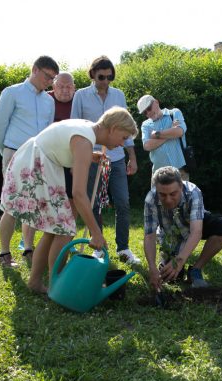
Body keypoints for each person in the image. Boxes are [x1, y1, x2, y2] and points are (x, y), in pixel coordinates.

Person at [0, 107, 138, 293]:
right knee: (64, 229)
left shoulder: (88, 131)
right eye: (123, 137)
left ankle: (36, 282)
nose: (123, 144)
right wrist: (96, 233)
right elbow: (79, 193)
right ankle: (58, 285)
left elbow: (63, 145)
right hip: (37, 165)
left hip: (35, 159)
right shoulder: (84, 141)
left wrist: (91, 156)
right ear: (112, 128)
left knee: (55, 230)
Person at [70, 56, 140, 265]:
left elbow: (127, 129)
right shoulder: (81, 96)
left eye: (110, 77)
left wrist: (132, 158)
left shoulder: (119, 95)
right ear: (92, 74)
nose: (106, 81)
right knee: (94, 203)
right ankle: (98, 246)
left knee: (123, 202)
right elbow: (75, 127)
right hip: (91, 157)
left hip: (117, 158)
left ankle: (124, 248)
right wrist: (76, 161)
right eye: (101, 76)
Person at [0, 55, 59, 268]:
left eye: (52, 79)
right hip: (15, 154)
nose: (49, 82)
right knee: (12, 206)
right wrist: (8, 152)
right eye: (47, 76)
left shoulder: (49, 100)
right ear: (35, 69)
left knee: (34, 205)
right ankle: (4, 253)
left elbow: (47, 131)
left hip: (39, 157)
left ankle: (28, 249)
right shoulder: (12, 93)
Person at [143, 166, 222, 290]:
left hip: (194, 223)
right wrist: (152, 268)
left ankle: (196, 269)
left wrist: (180, 260)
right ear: (156, 189)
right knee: (173, 276)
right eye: (162, 195)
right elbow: (149, 236)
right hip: (171, 234)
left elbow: (196, 232)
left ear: (181, 186)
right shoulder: (150, 199)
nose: (168, 200)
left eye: (173, 194)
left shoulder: (193, 192)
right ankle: (164, 261)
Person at [138, 95, 190, 182]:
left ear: (156, 102)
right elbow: (147, 146)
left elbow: (179, 132)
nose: (148, 113)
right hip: (159, 174)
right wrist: (169, 133)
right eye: (144, 112)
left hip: (180, 171)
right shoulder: (145, 124)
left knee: (183, 195)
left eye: (149, 108)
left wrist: (155, 135)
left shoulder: (174, 113)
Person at [48, 72, 78, 218]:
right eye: (61, 86)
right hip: (50, 156)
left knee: (73, 194)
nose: (65, 90)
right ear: (53, 86)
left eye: (69, 87)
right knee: (47, 195)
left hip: (72, 156)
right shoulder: (45, 99)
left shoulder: (79, 100)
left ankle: (69, 226)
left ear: (74, 88)